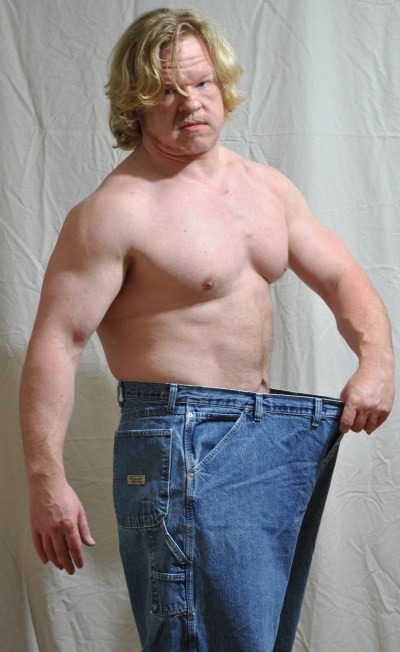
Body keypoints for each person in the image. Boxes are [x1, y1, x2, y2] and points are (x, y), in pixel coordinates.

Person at [20, 7, 394, 652]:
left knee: (253, 641)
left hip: (265, 438)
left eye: (200, 82)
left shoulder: (266, 189)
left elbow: (341, 277)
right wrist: (43, 478)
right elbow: (58, 341)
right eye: (166, 90)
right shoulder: (115, 211)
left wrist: (377, 359)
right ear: (135, 103)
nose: (190, 102)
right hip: (180, 440)